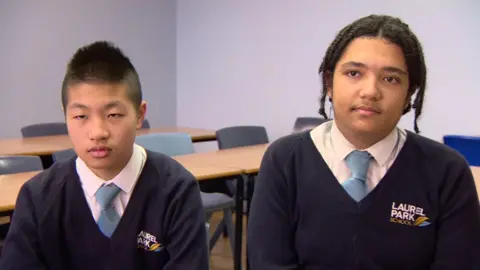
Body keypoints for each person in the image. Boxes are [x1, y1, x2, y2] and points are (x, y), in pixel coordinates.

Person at [247, 14, 480, 269]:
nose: (370, 91)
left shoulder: (446, 171)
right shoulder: (285, 160)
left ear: (408, 96)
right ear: (329, 83)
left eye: (390, 79)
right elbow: (268, 262)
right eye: (354, 73)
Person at [0, 41, 209, 269]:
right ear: (65, 116)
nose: (98, 132)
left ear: (140, 114)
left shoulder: (176, 190)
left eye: (114, 114)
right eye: (81, 116)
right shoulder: (37, 198)